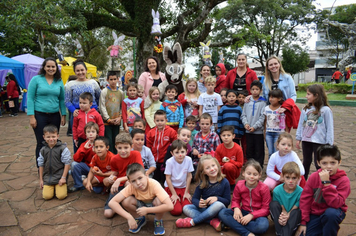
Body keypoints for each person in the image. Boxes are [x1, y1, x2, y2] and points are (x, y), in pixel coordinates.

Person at [295, 145, 351, 236]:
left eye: (333, 163)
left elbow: (336, 204)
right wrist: (303, 222)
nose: (329, 167)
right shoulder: (314, 177)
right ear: (318, 163)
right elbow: (305, 199)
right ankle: (323, 229)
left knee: (330, 215)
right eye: (324, 163)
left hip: (334, 212)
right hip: (316, 213)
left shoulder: (344, 180)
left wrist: (327, 183)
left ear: (339, 162)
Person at [108, 163, 173, 235]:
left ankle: (158, 220)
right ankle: (139, 218)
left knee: (160, 200)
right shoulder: (131, 187)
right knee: (126, 201)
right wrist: (129, 217)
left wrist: (147, 210)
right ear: (129, 182)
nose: (138, 183)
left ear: (146, 175)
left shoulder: (154, 184)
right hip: (140, 206)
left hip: (154, 206)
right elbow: (112, 202)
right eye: (133, 181)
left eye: (140, 178)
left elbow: (170, 206)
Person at [27, 57, 67, 167]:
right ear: (44, 67)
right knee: (42, 142)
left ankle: (54, 166)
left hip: (55, 115)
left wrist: (64, 114)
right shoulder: (36, 79)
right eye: (48, 66)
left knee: (53, 141)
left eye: (53, 66)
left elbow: (62, 99)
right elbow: (30, 98)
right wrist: (31, 116)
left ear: (56, 68)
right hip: (39, 115)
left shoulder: (58, 81)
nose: (50, 68)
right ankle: (41, 167)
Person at [176, 155, 230, 231]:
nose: (212, 169)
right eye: (207, 168)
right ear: (204, 172)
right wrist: (198, 203)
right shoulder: (202, 183)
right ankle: (211, 221)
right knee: (186, 207)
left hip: (218, 211)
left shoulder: (225, 182)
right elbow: (194, 198)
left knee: (218, 204)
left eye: (213, 165)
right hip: (205, 209)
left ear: (217, 166)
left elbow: (227, 201)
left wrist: (217, 198)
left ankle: (193, 221)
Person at [218, 159, 271, 236]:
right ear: (243, 173)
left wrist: (251, 215)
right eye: (249, 173)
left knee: (262, 226)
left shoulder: (264, 188)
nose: (251, 177)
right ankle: (246, 233)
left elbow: (266, 209)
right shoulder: (239, 185)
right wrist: (236, 208)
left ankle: (233, 225)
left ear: (259, 175)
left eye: (255, 174)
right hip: (243, 211)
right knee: (222, 213)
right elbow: (235, 200)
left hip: (259, 215)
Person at [295, 84, 333, 180]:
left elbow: (329, 127)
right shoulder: (306, 109)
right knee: (306, 162)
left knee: (318, 163)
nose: (306, 96)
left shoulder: (326, 110)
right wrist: (298, 138)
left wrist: (329, 143)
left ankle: (321, 183)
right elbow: (301, 124)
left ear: (316, 95)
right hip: (306, 140)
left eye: (308, 94)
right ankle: (303, 183)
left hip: (320, 142)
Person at [104, 133, 144, 218]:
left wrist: (119, 180)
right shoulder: (114, 159)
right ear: (115, 147)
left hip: (132, 182)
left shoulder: (136, 154)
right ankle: (120, 202)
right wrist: (111, 178)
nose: (123, 151)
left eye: (126, 147)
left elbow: (139, 172)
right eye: (119, 148)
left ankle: (127, 202)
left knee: (128, 183)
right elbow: (115, 172)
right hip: (120, 185)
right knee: (108, 213)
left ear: (131, 146)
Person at [65, 59, 101, 152]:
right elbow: (67, 101)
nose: (80, 72)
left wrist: (95, 109)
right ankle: (79, 158)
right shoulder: (70, 85)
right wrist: (73, 110)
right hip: (77, 114)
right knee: (78, 137)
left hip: (92, 113)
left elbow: (99, 97)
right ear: (75, 71)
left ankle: (94, 159)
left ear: (86, 70)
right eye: (78, 70)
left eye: (82, 70)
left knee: (94, 137)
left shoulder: (93, 83)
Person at [38, 124, 71, 200]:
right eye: (48, 137)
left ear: (57, 136)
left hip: (59, 177)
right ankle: (52, 188)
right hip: (48, 178)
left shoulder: (63, 148)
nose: (51, 139)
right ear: (44, 137)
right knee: (47, 196)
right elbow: (41, 164)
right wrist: (41, 179)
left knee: (61, 196)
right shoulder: (43, 150)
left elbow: (67, 163)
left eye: (53, 136)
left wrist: (63, 178)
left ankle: (61, 186)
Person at [270, 162, 303, 236]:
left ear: (298, 178)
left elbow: (296, 207)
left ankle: (282, 233)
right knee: (273, 204)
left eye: (294, 178)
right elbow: (281, 206)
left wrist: (288, 215)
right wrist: (283, 216)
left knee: (296, 212)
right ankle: (281, 232)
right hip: (281, 214)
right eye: (287, 177)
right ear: (282, 177)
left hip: (293, 217)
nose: (290, 181)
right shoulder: (277, 190)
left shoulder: (301, 191)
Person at [146, 110, 177, 184]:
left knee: (165, 180)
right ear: (154, 121)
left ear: (166, 120)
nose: (160, 122)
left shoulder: (171, 131)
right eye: (157, 120)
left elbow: (174, 145)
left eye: (162, 120)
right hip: (154, 161)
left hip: (166, 161)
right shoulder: (151, 132)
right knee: (155, 180)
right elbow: (148, 146)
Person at [164, 140, 194, 216]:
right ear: (172, 153)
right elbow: (168, 178)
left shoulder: (188, 160)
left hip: (183, 187)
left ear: (187, 151)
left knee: (187, 207)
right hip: (172, 187)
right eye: (177, 152)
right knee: (177, 211)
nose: (180, 155)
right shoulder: (169, 162)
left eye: (182, 152)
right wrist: (174, 194)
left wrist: (186, 192)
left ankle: (180, 199)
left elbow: (189, 176)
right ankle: (167, 198)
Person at [241, 80, 267, 168]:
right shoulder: (247, 102)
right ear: (250, 90)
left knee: (259, 150)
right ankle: (250, 166)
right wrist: (246, 124)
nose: (255, 91)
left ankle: (259, 167)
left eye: (257, 89)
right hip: (248, 131)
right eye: (253, 89)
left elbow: (262, 117)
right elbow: (243, 115)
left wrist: (255, 127)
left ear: (260, 90)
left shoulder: (263, 102)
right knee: (249, 149)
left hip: (258, 132)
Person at [69, 122, 98, 192]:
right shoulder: (84, 144)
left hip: (97, 168)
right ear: (85, 134)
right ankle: (79, 185)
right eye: (88, 132)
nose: (91, 134)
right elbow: (76, 159)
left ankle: (87, 179)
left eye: (93, 132)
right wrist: (84, 149)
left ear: (97, 133)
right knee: (74, 165)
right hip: (87, 166)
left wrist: (95, 151)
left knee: (97, 190)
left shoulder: (100, 143)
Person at [99, 71, 123, 154]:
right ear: (107, 80)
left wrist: (120, 117)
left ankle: (116, 157)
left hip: (117, 121)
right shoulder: (104, 92)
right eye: (111, 79)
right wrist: (107, 119)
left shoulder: (120, 92)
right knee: (109, 140)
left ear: (117, 79)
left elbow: (121, 106)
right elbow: (102, 106)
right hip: (107, 122)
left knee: (116, 140)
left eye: (114, 79)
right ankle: (110, 158)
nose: (113, 81)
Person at [215, 125, 244, 190]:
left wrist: (230, 161)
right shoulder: (219, 148)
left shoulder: (238, 148)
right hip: (221, 169)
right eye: (224, 135)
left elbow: (240, 164)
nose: (226, 138)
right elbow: (217, 163)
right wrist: (223, 163)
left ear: (233, 136)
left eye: (228, 135)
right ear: (220, 136)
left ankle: (231, 184)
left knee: (228, 166)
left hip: (234, 171)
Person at [264, 89, 287, 157]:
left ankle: (277, 167)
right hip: (269, 133)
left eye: (273, 97)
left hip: (279, 133)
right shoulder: (266, 108)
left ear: (279, 98)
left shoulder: (282, 109)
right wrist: (264, 132)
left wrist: (286, 132)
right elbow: (265, 121)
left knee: (277, 152)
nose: (271, 99)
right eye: (270, 97)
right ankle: (271, 166)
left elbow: (286, 121)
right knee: (270, 152)